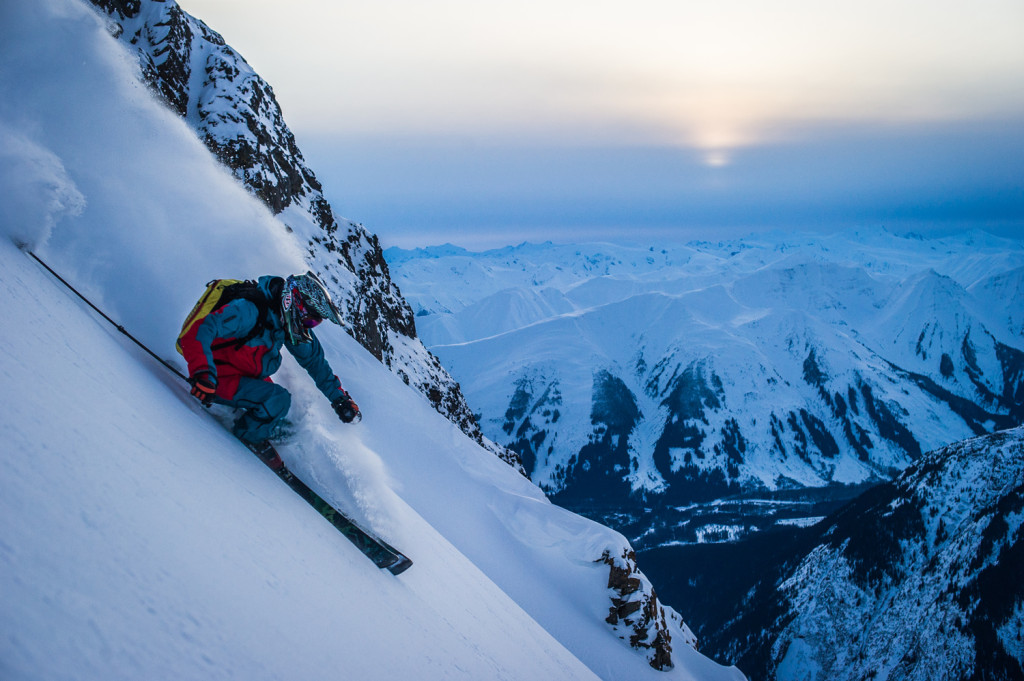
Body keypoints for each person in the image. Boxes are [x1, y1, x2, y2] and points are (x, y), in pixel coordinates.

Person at [179, 272, 360, 449]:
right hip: (213, 377)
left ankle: (261, 430)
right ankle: (246, 441)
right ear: (296, 305)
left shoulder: (285, 323)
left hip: (240, 374)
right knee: (277, 400)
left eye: (314, 324)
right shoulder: (249, 310)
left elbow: (315, 362)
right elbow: (200, 331)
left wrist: (340, 399)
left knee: (291, 420)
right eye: (311, 321)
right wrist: (203, 372)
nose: (309, 327)